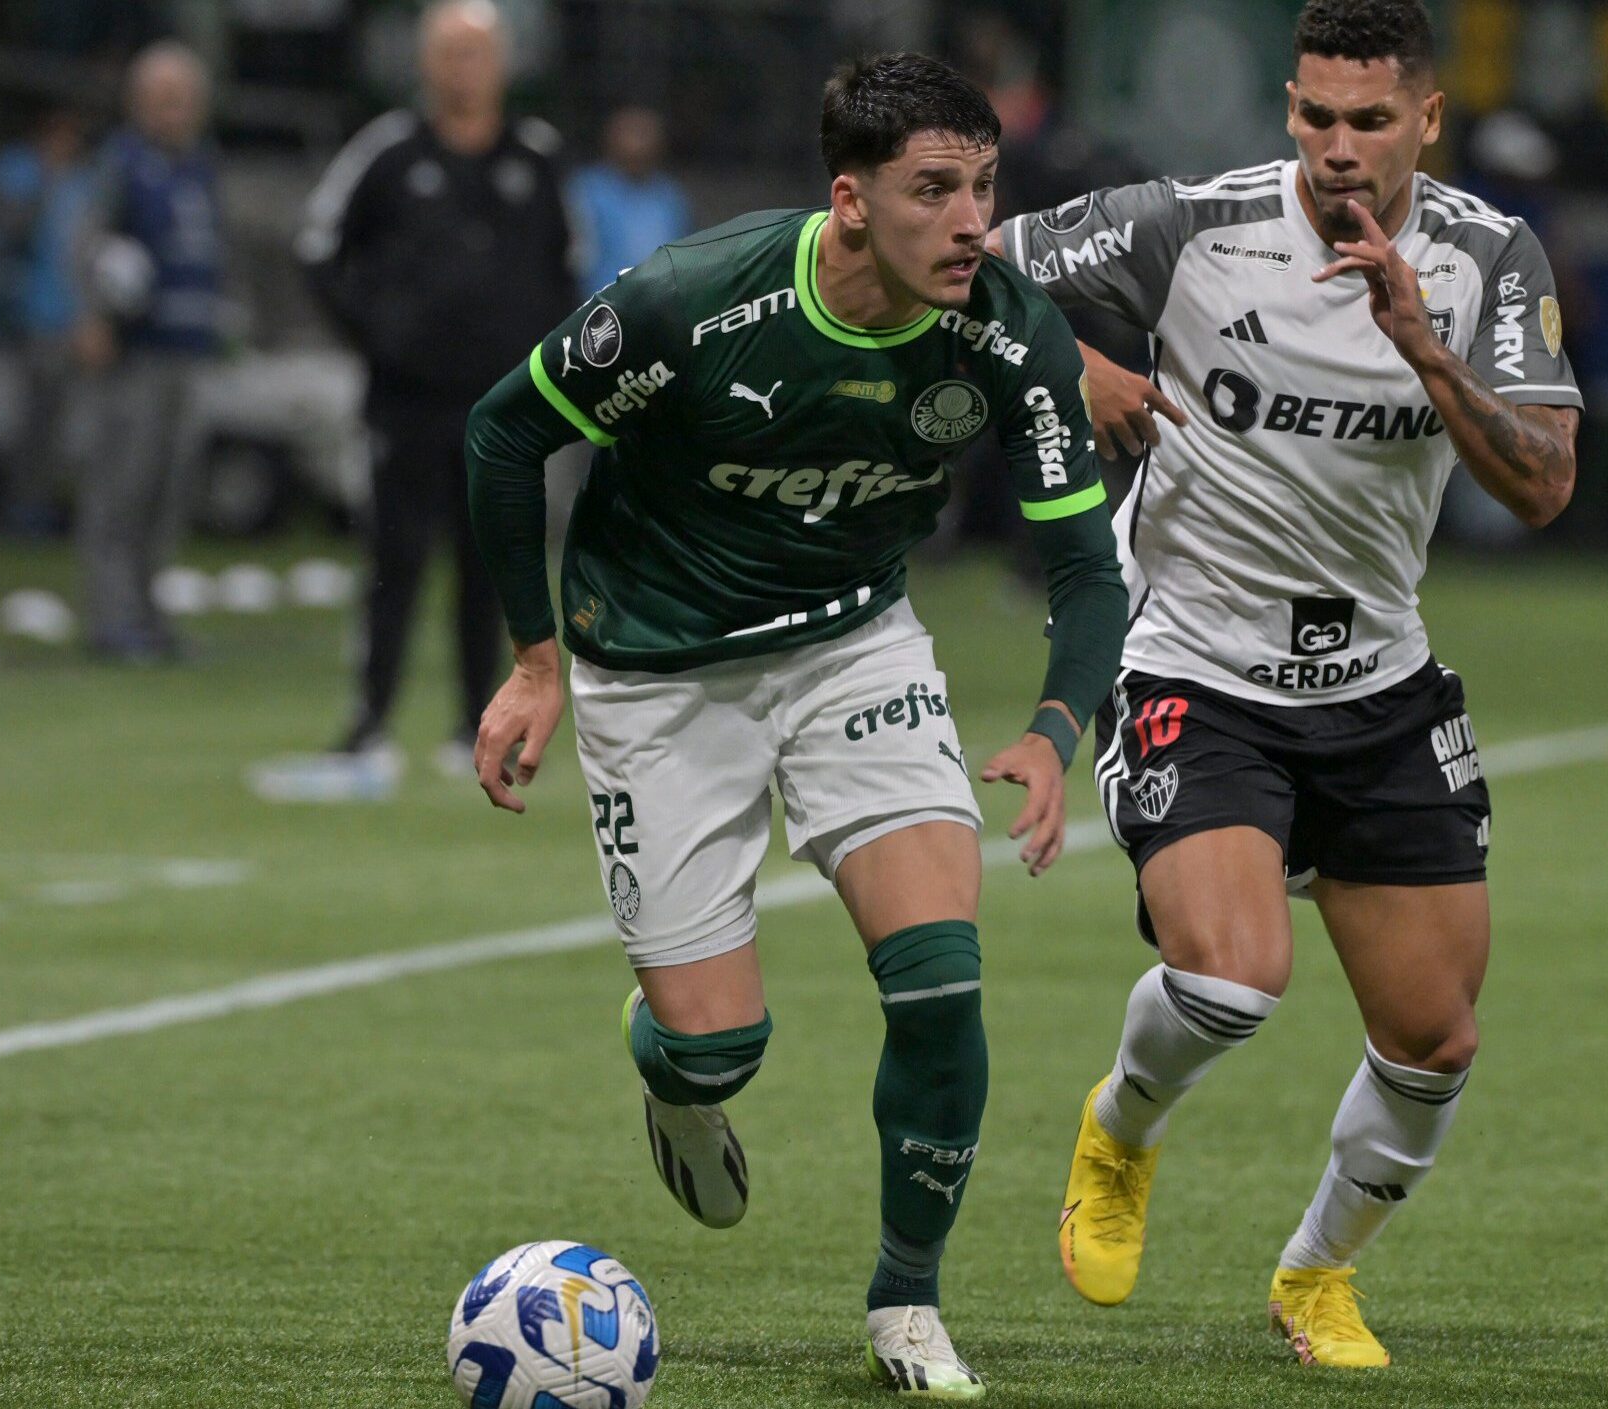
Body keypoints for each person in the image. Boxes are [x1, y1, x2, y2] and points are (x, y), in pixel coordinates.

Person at [464, 53, 1126, 1399]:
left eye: (982, 189)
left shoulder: (1003, 331)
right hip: (658, 673)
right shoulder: (687, 307)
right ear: (848, 199)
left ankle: (906, 1302)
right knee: (720, 1045)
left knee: (940, 980)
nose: (969, 224)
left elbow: (1085, 569)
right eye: (931, 192)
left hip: (851, 648)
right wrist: (535, 664)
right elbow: (498, 435)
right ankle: (673, 1072)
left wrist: (1056, 729)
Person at [990, 0, 1581, 1368]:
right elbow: (957, 263)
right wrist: (1069, 361)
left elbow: (1542, 484)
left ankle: (1312, 1275)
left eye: (1368, 120)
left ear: (1426, 121)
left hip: (1377, 678)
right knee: (1231, 979)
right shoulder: (1188, 226)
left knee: (1432, 1037)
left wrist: (1419, 342)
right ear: (1286, 111)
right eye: (1313, 115)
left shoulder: (1486, 256)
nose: (1335, 147)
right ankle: (1119, 1132)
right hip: (1197, 658)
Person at [297, 0, 576, 781]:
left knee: (493, 565)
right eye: (450, 53)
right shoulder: (386, 151)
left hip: (503, 408)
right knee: (394, 560)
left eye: (477, 53)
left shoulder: (536, 153)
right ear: (425, 64)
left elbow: (570, 266)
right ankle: (369, 721)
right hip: (406, 400)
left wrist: (545, 370)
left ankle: (474, 727)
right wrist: (375, 335)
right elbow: (316, 245)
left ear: (502, 64)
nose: (464, 69)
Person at [73, 42, 225, 663]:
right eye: (160, 99)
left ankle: (149, 615)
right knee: (122, 488)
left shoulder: (202, 165)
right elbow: (89, 244)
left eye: (182, 98)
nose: (172, 110)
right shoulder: (123, 163)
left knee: (169, 493)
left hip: (189, 353)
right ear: (138, 102)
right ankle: (111, 622)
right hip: (137, 354)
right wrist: (95, 314)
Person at [0, 103, 94, 539]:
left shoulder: (84, 182)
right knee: (32, 420)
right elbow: (11, 233)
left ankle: (43, 505)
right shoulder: (21, 172)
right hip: (36, 315)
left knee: (57, 423)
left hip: (72, 319)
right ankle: (18, 507)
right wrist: (45, 183)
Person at [567, 105, 694, 300]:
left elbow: (683, 254)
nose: (637, 144)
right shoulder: (587, 190)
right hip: (600, 307)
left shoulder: (669, 195)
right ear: (609, 138)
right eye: (630, 133)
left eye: (644, 134)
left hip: (660, 306)